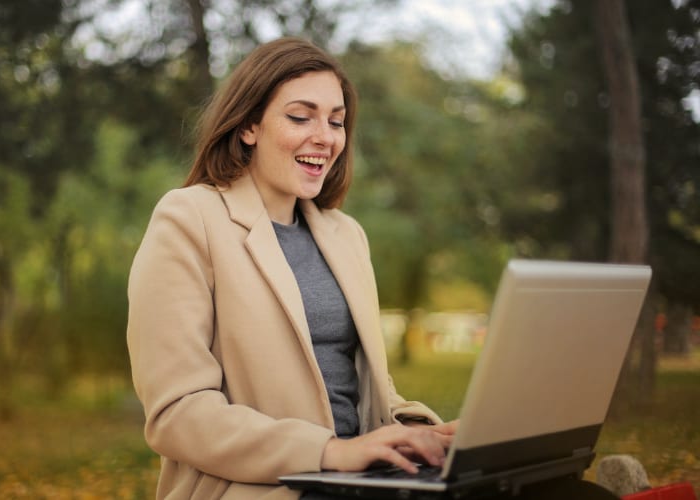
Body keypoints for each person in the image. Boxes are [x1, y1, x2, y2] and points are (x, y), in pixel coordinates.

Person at [126, 37, 618, 500]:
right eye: (301, 117)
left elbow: (369, 393)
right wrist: (330, 451)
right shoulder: (190, 219)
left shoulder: (345, 235)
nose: (325, 137)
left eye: (336, 121)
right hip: (267, 486)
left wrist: (421, 433)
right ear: (249, 126)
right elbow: (178, 412)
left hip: (362, 479)